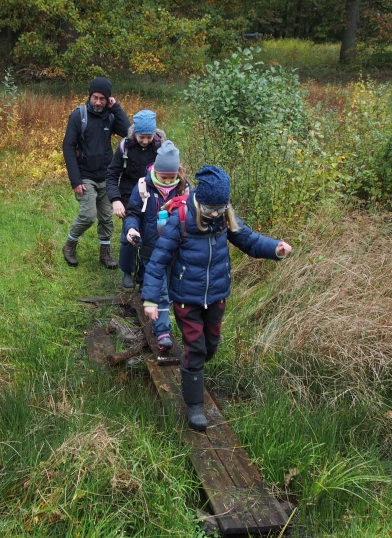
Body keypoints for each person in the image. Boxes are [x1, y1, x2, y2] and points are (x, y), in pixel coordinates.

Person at [141, 166, 293, 432]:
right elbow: (158, 262)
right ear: (200, 200)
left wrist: (275, 249)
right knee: (196, 349)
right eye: (209, 209)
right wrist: (151, 300)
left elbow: (250, 241)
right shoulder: (182, 219)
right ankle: (195, 406)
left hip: (217, 296)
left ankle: (194, 368)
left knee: (210, 345)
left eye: (219, 209)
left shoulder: (225, 219)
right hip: (187, 298)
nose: (213, 215)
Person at [122, 140, 188, 355]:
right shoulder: (143, 187)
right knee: (160, 292)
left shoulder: (185, 189)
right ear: (155, 171)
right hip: (151, 249)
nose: (168, 181)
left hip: (177, 251)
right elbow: (132, 213)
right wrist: (132, 230)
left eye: (172, 177)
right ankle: (162, 333)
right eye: (163, 177)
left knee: (173, 290)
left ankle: (179, 326)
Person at [61, 77, 130, 269]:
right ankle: (70, 245)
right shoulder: (79, 116)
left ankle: (105, 253)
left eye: (102, 99)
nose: (98, 102)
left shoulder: (110, 115)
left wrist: (115, 108)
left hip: (106, 176)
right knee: (88, 215)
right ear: (90, 96)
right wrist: (75, 180)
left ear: (108, 99)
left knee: (107, 217)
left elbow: (129, 132)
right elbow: (68, 147)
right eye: (95, 97)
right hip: (85, 175)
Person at [105, 109, 167, 288]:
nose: (145, 141)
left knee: (149, 237)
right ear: (135, 133)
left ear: (154, 133)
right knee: (129, 237)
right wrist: (115, 199)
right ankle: (127, 270)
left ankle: (144, 274)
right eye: (142, 137)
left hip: (154, 199)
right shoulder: (125, 146)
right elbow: (111, 175)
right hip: (128, 198)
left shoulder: (162, 147)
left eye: (149, 137)